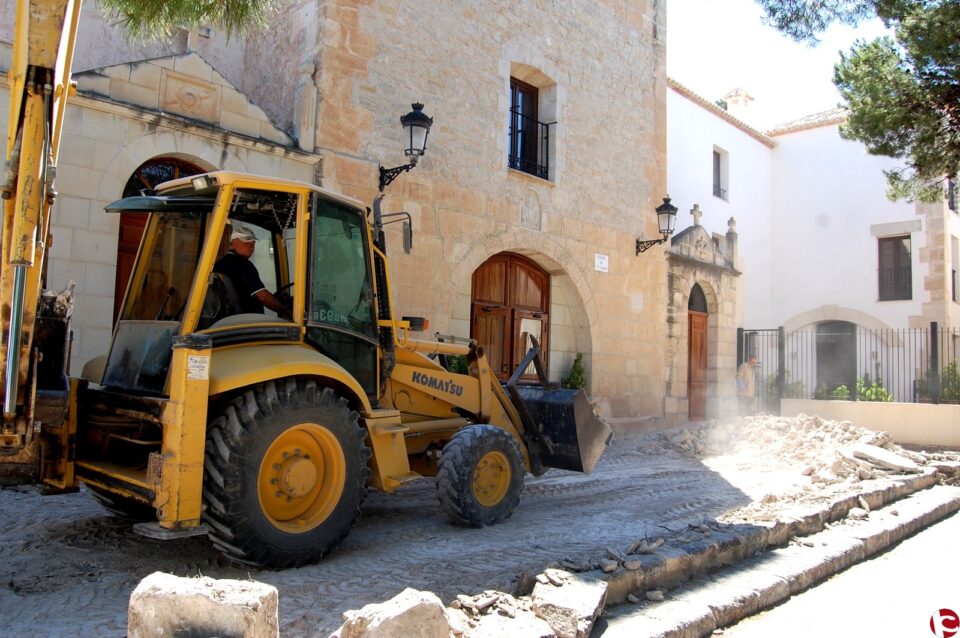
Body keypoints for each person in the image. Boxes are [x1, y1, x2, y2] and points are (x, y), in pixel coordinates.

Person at [213, 226, 291, 320]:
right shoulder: (243, 264)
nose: (251, 247)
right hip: (248, 321)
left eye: (253, 244)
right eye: (247, 243)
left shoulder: (219, 264)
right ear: (233, 243)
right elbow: (263, 297)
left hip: (228, 319)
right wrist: (285, 312)